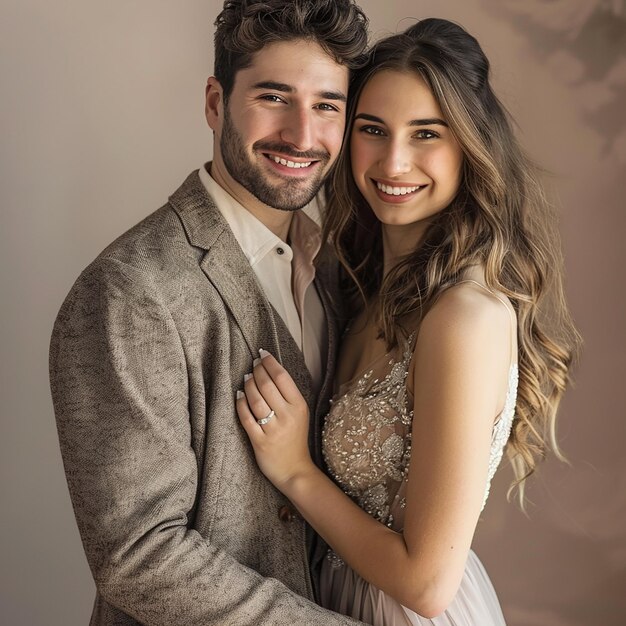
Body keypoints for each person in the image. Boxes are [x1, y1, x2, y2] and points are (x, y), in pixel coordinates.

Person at [236, 18, 580, 625]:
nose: (394, 162)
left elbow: (427, 584)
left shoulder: (462, 318)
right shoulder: (362, 290)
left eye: (427, 134)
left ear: (470, 146)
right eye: (372, 129)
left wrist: (295, 471)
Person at [49, 1, 370, 624]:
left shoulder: (341, 268)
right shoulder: (129, 291)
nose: (303, 136)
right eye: (274, 97)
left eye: (327, 105)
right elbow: (138, 554)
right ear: (215, 103)